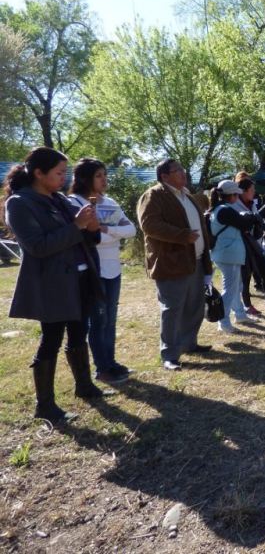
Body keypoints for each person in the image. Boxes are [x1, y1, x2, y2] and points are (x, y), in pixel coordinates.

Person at [4, 146, 106, 422]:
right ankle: (45, 405)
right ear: (38, 173)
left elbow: (80, 236)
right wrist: (77, 226)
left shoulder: (58, 199)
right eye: (59, 172)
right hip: (52, 284)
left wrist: (91, 227)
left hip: (80, 277)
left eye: (65, 172)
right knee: (51, 338)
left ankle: (84, 386)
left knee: (78, 332)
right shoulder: (20, 203)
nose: (64, 177)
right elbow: (37, 246)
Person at [137, 159, 213, 371]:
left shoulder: (186, 195)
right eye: (177, 170)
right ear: (164, 176)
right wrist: (182, 236)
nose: (183, 172)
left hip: (195, 260)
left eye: (182, 168)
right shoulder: (154, 195)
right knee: (172, 310)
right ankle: (169, 355)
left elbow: (201, 229)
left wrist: (206, 259)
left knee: (194, 307)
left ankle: (189, 343)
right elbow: (149, 225)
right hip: (171, 263)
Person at [68, 158, 137, 384]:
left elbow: (131, 230)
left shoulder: (110, 202)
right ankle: (102, 368)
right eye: (99, 175)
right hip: (92, 270)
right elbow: (89, 239)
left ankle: (111, 362)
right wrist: (107, 235)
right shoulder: (75, 203)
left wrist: (105, 229)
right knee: (98, 320)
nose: (104, 179)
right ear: (85, 178)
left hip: (113, 269)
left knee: (110, 320)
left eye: (105, 174)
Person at [208, 180, 262, 332]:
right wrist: (250, 217)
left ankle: (239, 314)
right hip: (228, 254)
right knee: (230, 289)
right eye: (236, 194)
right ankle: (224, 323)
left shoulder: (220, 208)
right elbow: (245, 225)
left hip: (227, 253)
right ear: (230, 195)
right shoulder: (226, 210)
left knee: (236, 286)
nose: (238, 197)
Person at [233, 177, 265, 315]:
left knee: (247, 276)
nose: (254, 192)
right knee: (240, 278)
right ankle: (242, 307)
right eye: (252, 190)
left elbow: (258, 220)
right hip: (239, 245)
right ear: (243, 191)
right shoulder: (233, 205)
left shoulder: (251, 204)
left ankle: (246, 306)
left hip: (252, 244)